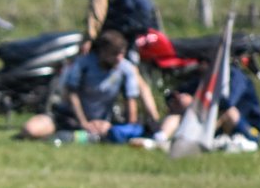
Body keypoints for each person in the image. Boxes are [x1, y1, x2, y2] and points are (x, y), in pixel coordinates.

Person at [21, 29, 159, 143]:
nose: (119, 58)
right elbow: (72, 94)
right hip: (69, 117)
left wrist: (126, 128)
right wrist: (83, 123)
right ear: (103, 52)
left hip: (102, 122)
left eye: (122, 54)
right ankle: (66, 135)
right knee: (30, 130)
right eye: (114, 54)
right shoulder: (83, 64)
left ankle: (79, 137)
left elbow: (130, 100)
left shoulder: (126, 68)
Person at [155, 56, 260, 151]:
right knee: (178, 113)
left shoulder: (236, 76)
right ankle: (160, 138)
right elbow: (179, 91)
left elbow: (227, 103)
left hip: (247, 128)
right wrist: (178, 98)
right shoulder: (205, 77)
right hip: (214, 123)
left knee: (229, 112)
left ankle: (199, 139)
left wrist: (193, 101)